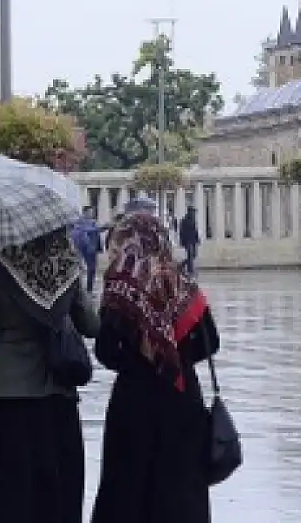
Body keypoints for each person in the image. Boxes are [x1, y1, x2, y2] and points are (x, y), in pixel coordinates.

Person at [90, 209, 220, 523]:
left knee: (129, 485)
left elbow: (105, 350)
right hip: (182, 398)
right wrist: (177, 359)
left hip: (135, 400)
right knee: (180, 484)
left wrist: (139, 362)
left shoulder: (120, 289)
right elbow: (211, 342)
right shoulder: (185, 286)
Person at [0, 230, 98, 523]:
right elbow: (90, 325)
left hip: (5, 387)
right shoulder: (67, 266)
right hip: (55, 386)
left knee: (9, 479)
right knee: (56, 478)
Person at [71, 209, 103, 292]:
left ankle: (89, 288)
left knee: (92, 269)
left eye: (92, 212)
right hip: (84, 248)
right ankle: (80, 288)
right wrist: (100, 228)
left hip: (92, 249)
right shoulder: (79, 222)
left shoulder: (93, 222)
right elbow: (86, 230)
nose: (91, 213)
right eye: (90, 212)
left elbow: (97, 231)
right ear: (85, 212)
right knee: (81, 268)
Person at [177, 205, 200, 276]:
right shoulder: (184, 220)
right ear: (190, 212)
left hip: (193, 241)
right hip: (188, 241)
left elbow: (195, 230)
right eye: (193, 212)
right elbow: (181, 232)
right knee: (190, 255)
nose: (194, 213)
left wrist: (197, 239)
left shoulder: (193, 220)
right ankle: (190, 271)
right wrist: (182, 241)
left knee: (194, 255)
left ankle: (182, 264)